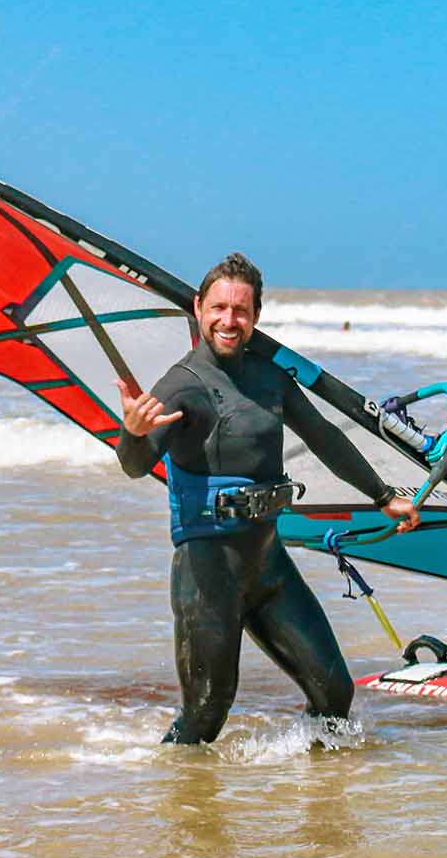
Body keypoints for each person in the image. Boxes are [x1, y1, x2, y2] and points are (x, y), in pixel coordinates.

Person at [116, 252, 420, 744]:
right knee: (206, 714)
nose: (228, 321)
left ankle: (322, 801)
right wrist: (131, 433)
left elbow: (322, 436)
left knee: (334, 695)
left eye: (240, 310)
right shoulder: (183, 385)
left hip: (268, 567)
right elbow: (133, 465)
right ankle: (180, 805)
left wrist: (384, 496)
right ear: (198, 308)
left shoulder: (269, 377)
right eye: (218, 308)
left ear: (255, 316)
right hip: (207, 574)